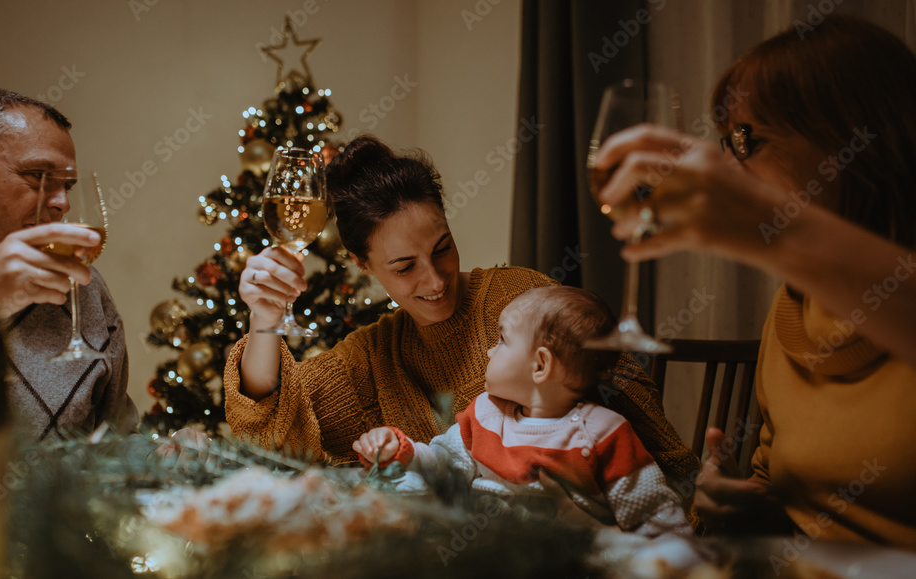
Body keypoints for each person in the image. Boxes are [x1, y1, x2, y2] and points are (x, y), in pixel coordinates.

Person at [224, 135, 701, 526]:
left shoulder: (520, 301)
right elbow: (272, 427)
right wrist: (264, 322)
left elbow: (647, 438)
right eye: (406, 267)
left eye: (443, 247)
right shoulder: (373, 357)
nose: (434, 280)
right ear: (362, 265)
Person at [592, 16, 916, 548]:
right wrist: (747, 503)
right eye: (724, 139)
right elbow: (782, 486)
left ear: (851, 141)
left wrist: (773, 231)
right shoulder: (795, 304)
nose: (726, 162)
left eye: (746, 138)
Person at [353, 286, 691, 537]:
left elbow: (658, 519)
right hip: (481, 547)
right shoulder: (486, 413)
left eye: (502, 340)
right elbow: (443, 466)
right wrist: (400, 449)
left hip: (566, 556)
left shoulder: (603, 433)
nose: (488, 350)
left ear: (540, 365)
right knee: (406, 493)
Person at [0, 89, 136, 440]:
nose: (63, 203)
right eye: (38, 175)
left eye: (68, 185)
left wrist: (162, 455)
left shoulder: (84, 291)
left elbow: (114, 441)